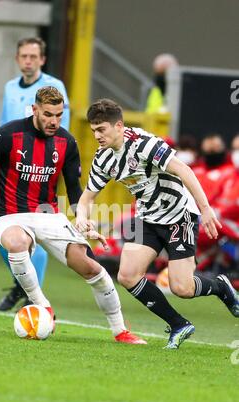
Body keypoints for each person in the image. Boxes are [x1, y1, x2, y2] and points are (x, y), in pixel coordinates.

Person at [0, 87, 145, 345]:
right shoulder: (5, 135)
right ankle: (42, 305)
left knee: (92, 267)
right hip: (9, 215)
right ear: (35, 110)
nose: (54, 121)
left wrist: (83, 221)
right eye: (48, 114)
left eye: (59, 115)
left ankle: (120, 331)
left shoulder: (67, 142)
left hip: (48, 215)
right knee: (17, 243)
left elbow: (73, 189)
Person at [76, 98, 239, 349]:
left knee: (182, 287)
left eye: (101, 129)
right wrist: (82, 219)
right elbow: (86, 198)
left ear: (118, 126)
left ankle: (220, 287)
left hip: (179, 215)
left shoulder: (144, 144)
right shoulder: (103, 158)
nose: (96, 135)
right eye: (94, 130)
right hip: (148, 218)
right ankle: (178, 324)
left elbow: (184, 170)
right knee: (128, 275)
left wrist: (205, 210)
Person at [0, 37, 71, 312]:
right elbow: (4, 127)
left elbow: (60, 132)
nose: (29, 61)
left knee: (37, 235)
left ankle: (33, 297)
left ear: (42, 59)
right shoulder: (10, 87)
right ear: (18, 59)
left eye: (34, 56)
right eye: (24, 56)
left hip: (40, 173)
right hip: (10, 173)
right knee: (2, 233)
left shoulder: (54, 87)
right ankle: (20, 284)